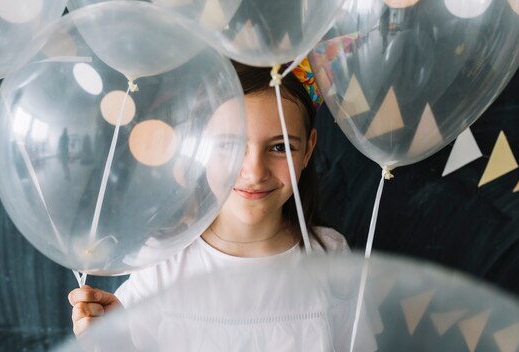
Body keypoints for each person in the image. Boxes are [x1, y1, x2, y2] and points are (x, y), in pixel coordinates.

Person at [68, 61, 350, 337]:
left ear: (308, 150)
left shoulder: (331, 258)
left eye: (280, 147)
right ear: (201, 146)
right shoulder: (163, 265)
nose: (254, 172)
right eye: (231, 144)